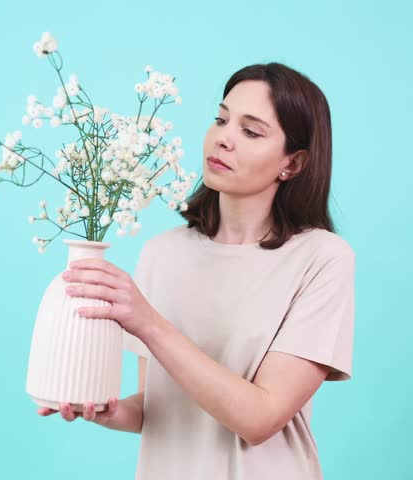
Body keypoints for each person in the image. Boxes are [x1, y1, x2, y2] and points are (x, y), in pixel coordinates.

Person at [38, 62, 356, 480]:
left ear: (293, 164)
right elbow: (159, 408)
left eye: (251, 131)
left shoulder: (322, 258)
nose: (224, 138)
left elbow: (260, 418)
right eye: (221, 120)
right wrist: (103, 409)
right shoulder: (162, 253)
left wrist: (148, 322)